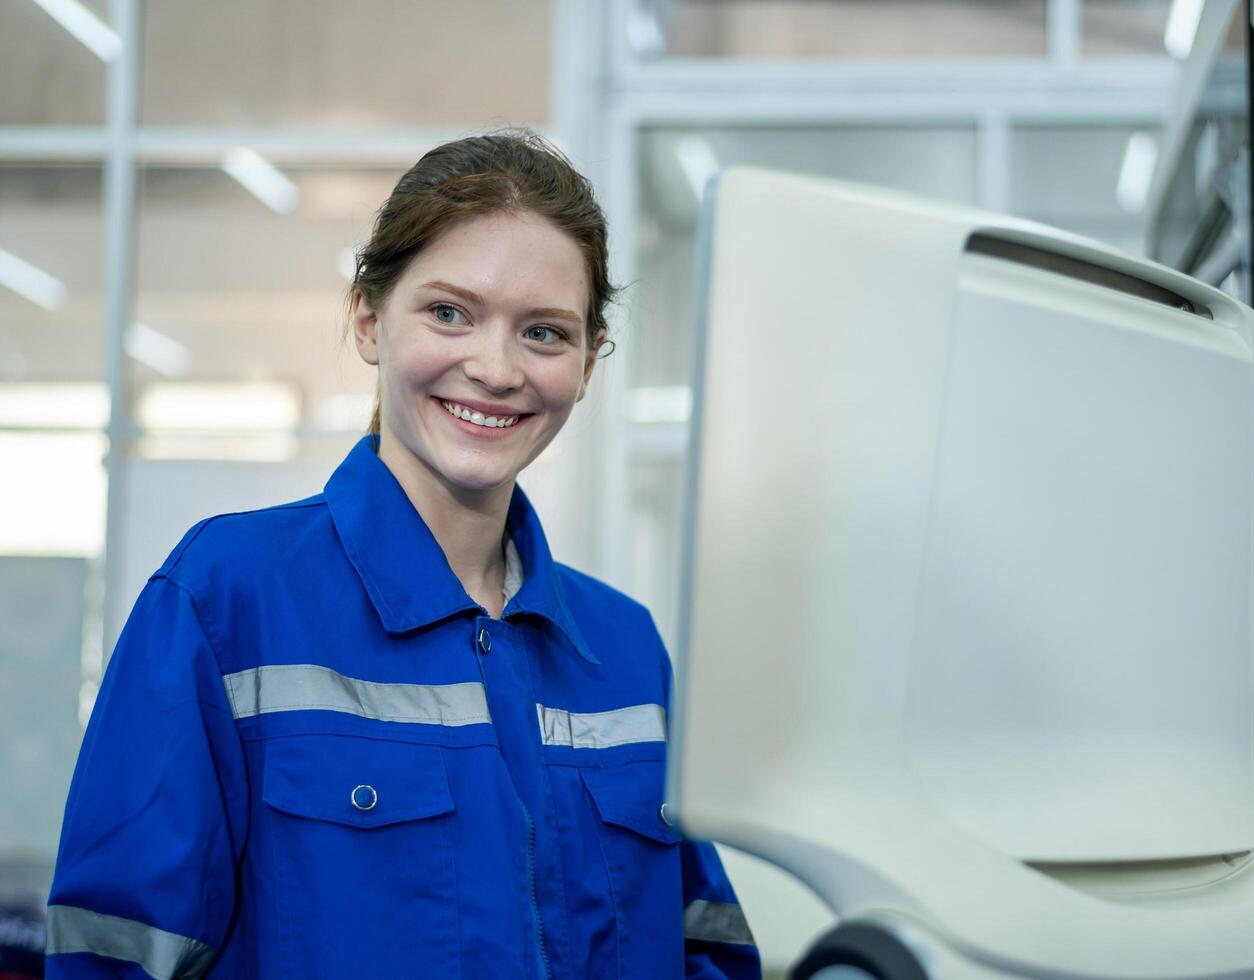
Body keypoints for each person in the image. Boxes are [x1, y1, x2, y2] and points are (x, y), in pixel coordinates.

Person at [44, 130, 760, 979]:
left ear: (589, 360)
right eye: (449, 313)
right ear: (368, 320)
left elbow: (703, 951)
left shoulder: (627, 650)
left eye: (544, 333)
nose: (495, 369)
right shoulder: (225, 598)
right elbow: (114, 961)